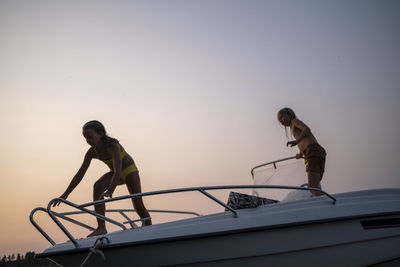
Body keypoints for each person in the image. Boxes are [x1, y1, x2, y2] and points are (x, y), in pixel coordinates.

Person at [53, 120, 152, 237]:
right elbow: (80, 174)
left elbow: (118, 169)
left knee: (137, 204)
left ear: (100, 133)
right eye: (86, 138)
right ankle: (101, 227)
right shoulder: (91, 152)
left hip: (129, 171)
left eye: (90, 137)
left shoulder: (113, 146)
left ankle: (149, 227)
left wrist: (111, 189)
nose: (88, 141)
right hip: (114, 173)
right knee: (98, 185)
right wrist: (65, 194)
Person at [277, 108, 326, 196]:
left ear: (288, 114)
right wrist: (300, 153)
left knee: (313, 187)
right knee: (315, 187)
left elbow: (307, 129)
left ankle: (327, 205)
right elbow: (303, 142)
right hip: (310, 153)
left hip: (313, 151)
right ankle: (323, 204)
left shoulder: (294, 121)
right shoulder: (292, 128)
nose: (281, 121)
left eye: (281, 117)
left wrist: (296, 141)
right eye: (279, 120)